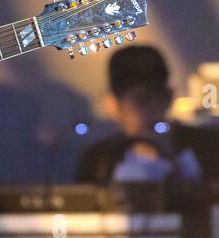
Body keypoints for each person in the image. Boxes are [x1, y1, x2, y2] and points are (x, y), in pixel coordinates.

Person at [73, 45, 201, 187]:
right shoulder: (98, 161)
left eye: (159, 97)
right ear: (114, 105)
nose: (153, 109)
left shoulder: (194, 152)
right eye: (141, 101)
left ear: (169, 98)